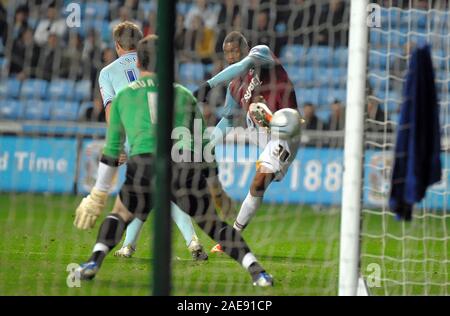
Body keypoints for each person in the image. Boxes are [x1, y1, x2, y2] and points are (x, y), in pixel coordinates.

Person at [74, 35, 273, 287]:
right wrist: (217, 190)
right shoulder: (183, 95)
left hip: (144, 165)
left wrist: (98, 194)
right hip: (184, 166)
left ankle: (93, 262)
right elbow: (203, 146)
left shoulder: (124, 96)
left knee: (120, 214)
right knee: (214, 226)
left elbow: (112, 149)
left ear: (138, 64)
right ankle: (258, 273)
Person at [75, 21, 207, 261]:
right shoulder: (153, 63)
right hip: (167, 133)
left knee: (140, 192)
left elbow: (111, 111)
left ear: (117, 45)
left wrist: (119, 146)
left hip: (137, 137)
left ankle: (123, 248)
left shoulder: (107, 72)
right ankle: (185, 242)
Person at [194, 31, 301, 252]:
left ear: (245, 48)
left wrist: (209, 84)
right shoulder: (234, 87)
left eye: (235, 50)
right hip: (263, 138)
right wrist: (208, 146)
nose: (232, 55)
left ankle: (231, 238)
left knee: (257, 183)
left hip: (285, 130)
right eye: (227, 53)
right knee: (258, 186)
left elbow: (243, 66)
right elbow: (229, 119)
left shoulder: (260, 53)